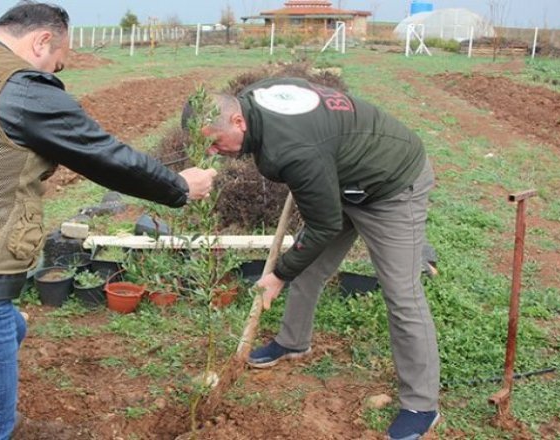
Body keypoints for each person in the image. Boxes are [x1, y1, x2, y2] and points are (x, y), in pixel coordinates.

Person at [0, 1, 217, 438]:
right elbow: (103, 154)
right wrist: (179, 186)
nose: (55, 73)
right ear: (41, 40)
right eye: (56, 64)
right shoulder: (16, 85)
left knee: (8, 330)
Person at [187, 77, 440, 440]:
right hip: (339, 179)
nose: (213, 152)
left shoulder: (290, 149)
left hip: (391, 185)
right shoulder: (256, 99)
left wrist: (276, 276)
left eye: (214, 141)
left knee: (402, 294)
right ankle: (293, 341)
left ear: (238, 122)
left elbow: (323, 226)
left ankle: (421, 405)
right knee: (309, 267)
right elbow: (298, 86)